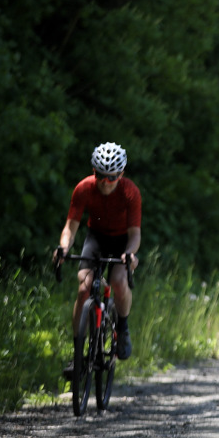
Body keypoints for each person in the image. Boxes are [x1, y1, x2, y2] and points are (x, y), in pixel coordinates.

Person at [53, 143, 142, 372]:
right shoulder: (84, 188)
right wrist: (63, 248)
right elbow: (70, 228)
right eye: (101, 175)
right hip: (96, 238)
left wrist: (130, 254)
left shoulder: (130, 192)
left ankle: (121, 328)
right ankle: (78, 355)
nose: (105, 182)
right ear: (94, 172)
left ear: (120, 175)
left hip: (122, 241)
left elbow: (135, 234)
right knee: (84, 288)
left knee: (119, 282)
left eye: (112, 177)